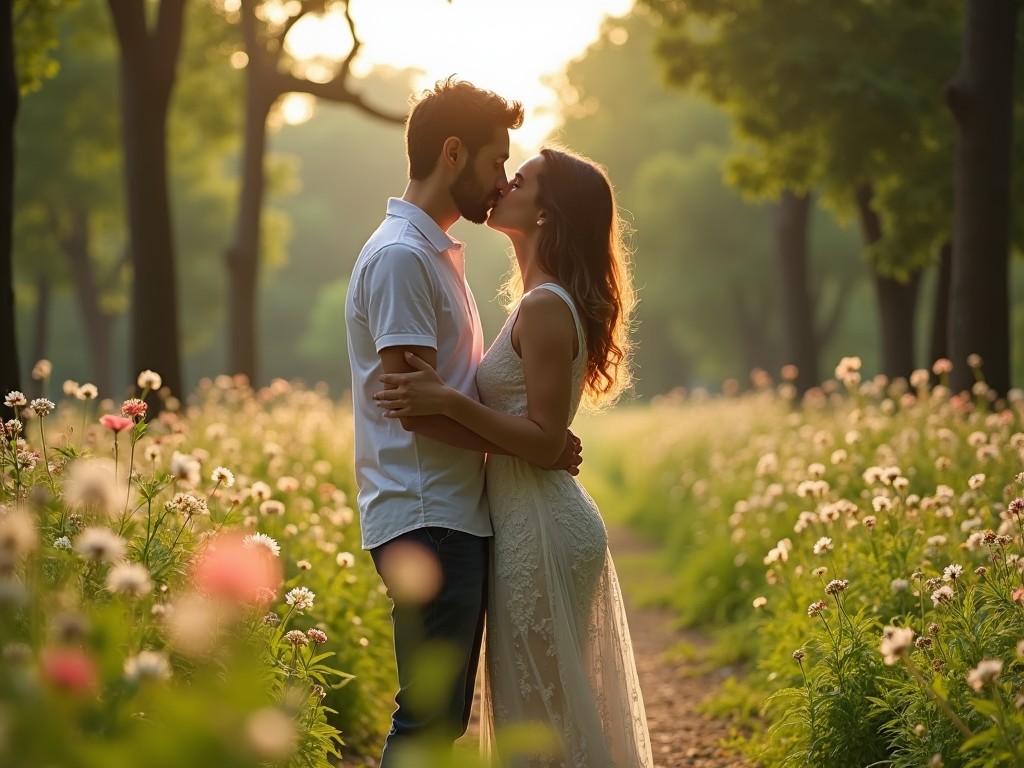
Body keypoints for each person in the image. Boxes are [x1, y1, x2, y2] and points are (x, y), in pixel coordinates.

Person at [374, 147, 653, 767]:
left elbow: (546, 441)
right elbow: (542, 436)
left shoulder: (546, 305)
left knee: (546, 716)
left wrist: (448, 400)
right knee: (540, 711)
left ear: (547, 214)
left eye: (519, 180)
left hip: (541, 527)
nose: (503, 184)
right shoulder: (532, 301)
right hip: (524, 516)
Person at [344, 79, 582, 768]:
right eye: (495, 161)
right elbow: (417, 408)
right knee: (427, 719)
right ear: (454, 153)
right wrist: (534, 446)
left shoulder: (435, 253)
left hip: (448, 513)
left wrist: (529, 444)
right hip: (427, 514)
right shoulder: (401, 258)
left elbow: (439, 398)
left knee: (438, 717)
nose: (501, 180)